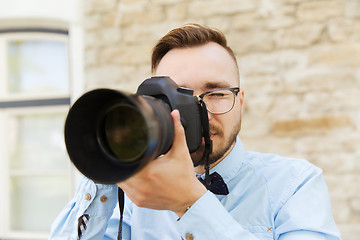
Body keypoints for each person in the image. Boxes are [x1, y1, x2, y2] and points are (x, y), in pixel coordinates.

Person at [50, 24, 341, 240]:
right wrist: (108, 161)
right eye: (180, 97)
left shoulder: (294, 184)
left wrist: (190, 202)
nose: (200, 113)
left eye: (216, 93)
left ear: (240, 102)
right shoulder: (137, 194)